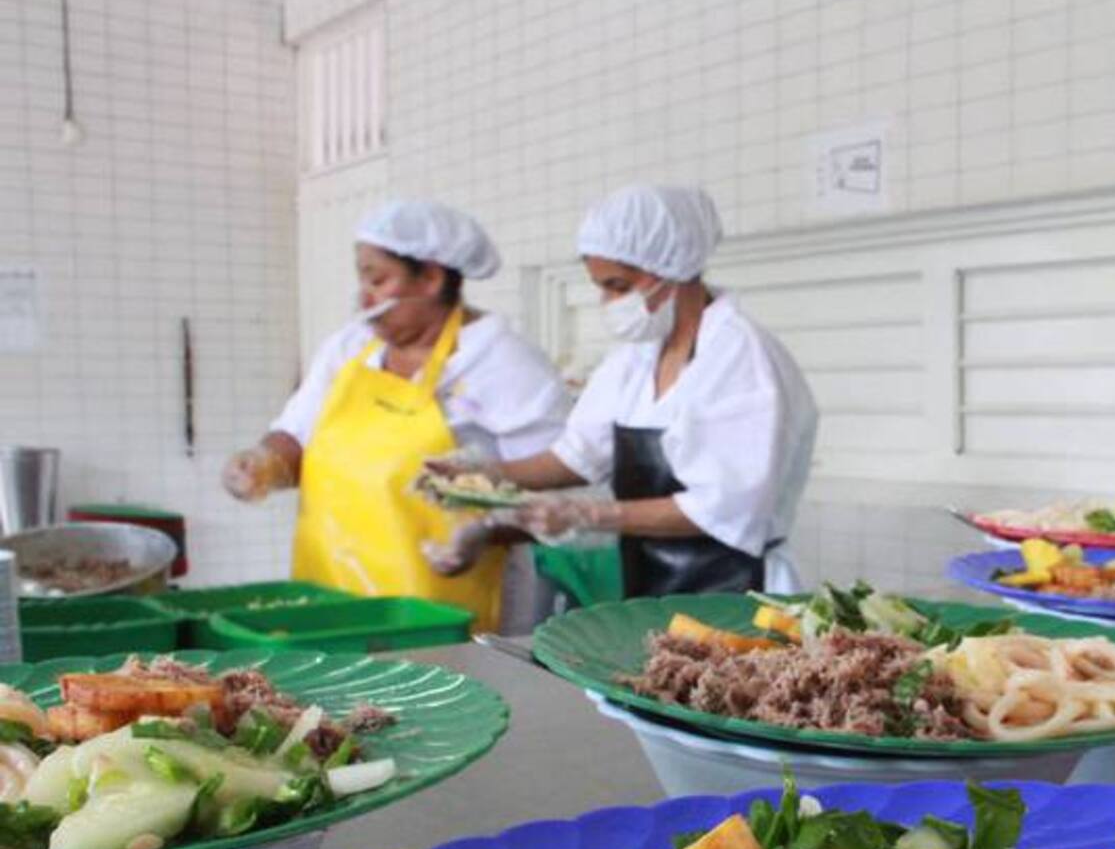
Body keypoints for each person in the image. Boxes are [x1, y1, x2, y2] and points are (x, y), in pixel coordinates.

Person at [428, 184, 818, 597]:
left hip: (737, 588)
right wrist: (485, 474)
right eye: (601, 287)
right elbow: (576, 457)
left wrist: (589, 514)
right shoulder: (634, 359)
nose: (608, 302)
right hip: (651, 583)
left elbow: (724, 509)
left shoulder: (740, 360)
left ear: (675, 268)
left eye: (618, 286)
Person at [222, 199, 569, 632]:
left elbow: (557, 490)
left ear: (430, 277)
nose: (363, 297)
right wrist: (264, 463)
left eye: (378, 279)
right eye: (361, 278)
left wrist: (486, 531)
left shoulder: (503, 363)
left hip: (443, 613)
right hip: (328, 600)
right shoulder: (349, 348)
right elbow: (295, 435)